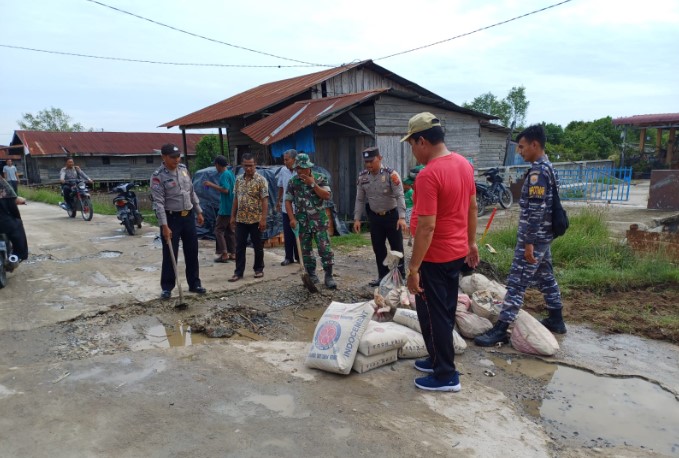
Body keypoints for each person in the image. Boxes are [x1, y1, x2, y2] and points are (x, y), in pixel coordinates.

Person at [402, 112, 479, 392]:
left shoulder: (428, 175)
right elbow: (472, 207)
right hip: (456, 253)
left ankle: (446, 375)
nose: (412, 150)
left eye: (411, 144)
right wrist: (472, 243)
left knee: (433, 316)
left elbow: (426, 228)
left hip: (434, 258)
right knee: (444, 312)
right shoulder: (463, 164)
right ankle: (437, 359)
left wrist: (413, 269)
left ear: (422, 141)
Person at [475, 125, 566, 347]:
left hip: (535, 237)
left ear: (535, 144)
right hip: (544, 236)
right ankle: (556, 319)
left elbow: (536, 212)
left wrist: (529, 244)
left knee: (516, 282)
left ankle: (501, 328)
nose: (520, 151)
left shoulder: (537, 173)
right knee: (545, 276)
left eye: (523, 147)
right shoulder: (547, 167)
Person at [150, 144, 206, 300]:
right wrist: (164, 226)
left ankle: (194, 284)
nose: (176, 159)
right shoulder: (158, 176)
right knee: (170, 253)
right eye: (172, 157)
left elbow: (191, 192)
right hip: (171, 219)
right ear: (164, 157)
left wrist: (199, 211)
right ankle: (167, 287)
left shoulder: (183, 169)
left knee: (192, 251)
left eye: (178, 156)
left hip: (188, 216)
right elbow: (159, 203)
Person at [353, 146, 407, 287]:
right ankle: (382, 277)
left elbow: (399, 195)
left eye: (372, 161)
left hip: (392, 216)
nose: (369, 165)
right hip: (375, 217)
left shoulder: (391, 174)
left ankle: (400, 278)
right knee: (378, 248)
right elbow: (359, 199)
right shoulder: (363, 177)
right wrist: (357, 219)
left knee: (396, 247)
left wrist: (402, 217)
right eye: (366, 162)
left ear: (380, 158)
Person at [284, 153, 336, 289]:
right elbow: (288, 201)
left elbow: (327, 196)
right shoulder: (293, 182)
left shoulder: (320, 178)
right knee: (306, 250)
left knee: (324, 249)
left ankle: (329, 275)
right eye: (297, 168)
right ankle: (312, 274)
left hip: (319, 222)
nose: (299, 171)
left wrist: (312, 184)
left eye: (301, 168)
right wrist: (292, 218)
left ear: (308, 167)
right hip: (302, 222)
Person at [229, 153, 268, 282]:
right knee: (239, 246)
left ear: (255, 165)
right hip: (241, 219)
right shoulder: (238, 179)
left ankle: (258, 269)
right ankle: (238, 272)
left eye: (251, 166)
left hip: (256, 219)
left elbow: (264, 200)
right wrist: (232, 216)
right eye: (246, 166)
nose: (248, 168)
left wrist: (263, 219)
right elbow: (236, 198)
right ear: (242, 165)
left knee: (257, 245)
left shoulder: (261, 180)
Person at [203, 155, 236, 263]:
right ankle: (233, 253)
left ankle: (224, 253)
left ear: (218, 165)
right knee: (229, 230)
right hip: (232, 207)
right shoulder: (231, 173)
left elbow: (225, 190)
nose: (215, 167)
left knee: (218, 230)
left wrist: (211, 184)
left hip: (225, 208)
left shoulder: (223, 175)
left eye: (215, 165)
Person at [276, 149, 300, 266]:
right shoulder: (283, 170)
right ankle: (288, 257)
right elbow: (281, 186)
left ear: (294, 160)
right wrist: (278, 200)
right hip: (287, 208)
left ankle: (299, 256)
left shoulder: (300, 171)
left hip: (299, 208)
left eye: (287, 159)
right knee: (288, 233)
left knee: (299, 233)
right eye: (284, 160)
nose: (285, 162)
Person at [0, 176, 28, 261]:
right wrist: (18, 199)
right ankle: (19, 254)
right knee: (17, 224)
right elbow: (11, 197)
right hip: (4, 223)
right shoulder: (2, 183)